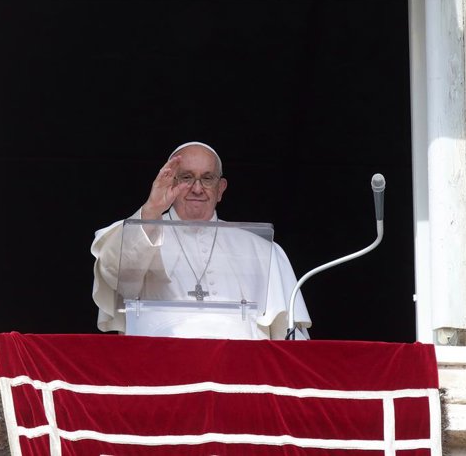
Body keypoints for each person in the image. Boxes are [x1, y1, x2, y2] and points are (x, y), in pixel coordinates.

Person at [91, 141, 311, 340]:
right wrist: (152, 209)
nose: (197, 188)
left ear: (220, 189)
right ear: (169, 182)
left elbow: (290, 337)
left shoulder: (262, 250)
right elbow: (117, 274)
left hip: (242, 373)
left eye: (207, 178)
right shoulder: (140, 231)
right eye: (186, 178)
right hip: (159, 368)